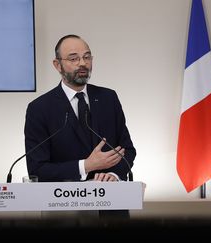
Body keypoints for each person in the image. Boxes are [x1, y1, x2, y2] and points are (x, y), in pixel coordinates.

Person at [24, 35, 136, 219]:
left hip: (113, 210)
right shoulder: (40, 108)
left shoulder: (109, 98)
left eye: (87, 57)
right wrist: (85, 166)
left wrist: (114, 175)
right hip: (64, 214)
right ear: (57, 65)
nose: (82, 63)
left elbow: (127, 150)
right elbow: (37, 169)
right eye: (74, 58)